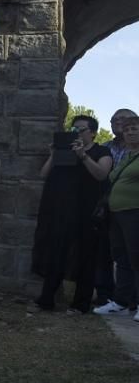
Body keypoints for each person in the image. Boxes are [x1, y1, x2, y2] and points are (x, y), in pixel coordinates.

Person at [31, 114, 113, 313]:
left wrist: (83, 156)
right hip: (62, 213)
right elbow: (43, 174)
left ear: (92, 133)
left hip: (88, 214)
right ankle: (46, 300)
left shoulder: (102, 151)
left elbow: (102, 174)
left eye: (80, 129)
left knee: (86, 257)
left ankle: (80, 304)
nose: (75, 132)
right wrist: (54, 154)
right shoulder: (64, 152)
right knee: (56, 254)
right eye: (73, 129)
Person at [94, 115, 139, 320]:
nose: (130, 132)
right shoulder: (128, 156)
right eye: (128, 129)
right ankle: (121, 301)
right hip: (117, 214)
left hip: (134, 211)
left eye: (135, 129)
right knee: (122, 258)